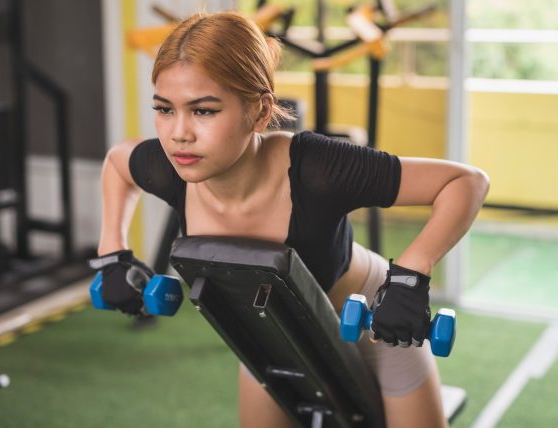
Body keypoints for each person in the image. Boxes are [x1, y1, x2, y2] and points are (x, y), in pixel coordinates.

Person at [92, 10, 489, 428]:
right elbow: (118, 164)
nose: (178, 133)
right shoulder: (168, 164)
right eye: (165, 109)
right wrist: (112, 254)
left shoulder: (317, 167)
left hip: (374, 325)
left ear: (261, 112)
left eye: (204, 111)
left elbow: (466, 182)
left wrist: (410, 274)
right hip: (273, 329)